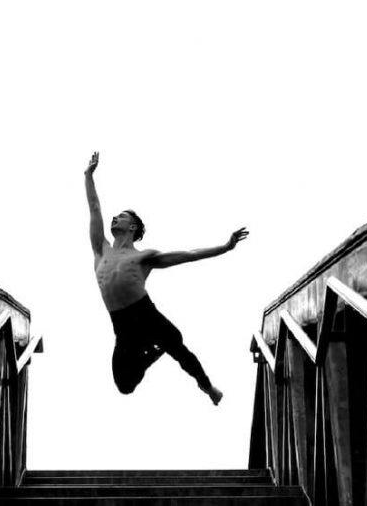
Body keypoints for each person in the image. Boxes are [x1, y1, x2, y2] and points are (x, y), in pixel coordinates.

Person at [84, 151, 248, 405]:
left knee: (178, 345)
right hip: (122, 325)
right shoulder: (100, 249)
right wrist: (88, 176)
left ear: (133, 227)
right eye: (115, 216)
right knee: (124, 385)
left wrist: (225, 247)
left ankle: (208, 388)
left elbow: (190, 255)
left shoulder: (144, 257)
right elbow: (94, 208)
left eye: (122, 216)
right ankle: (153, 351)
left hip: (145, 314)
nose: (114, 218)